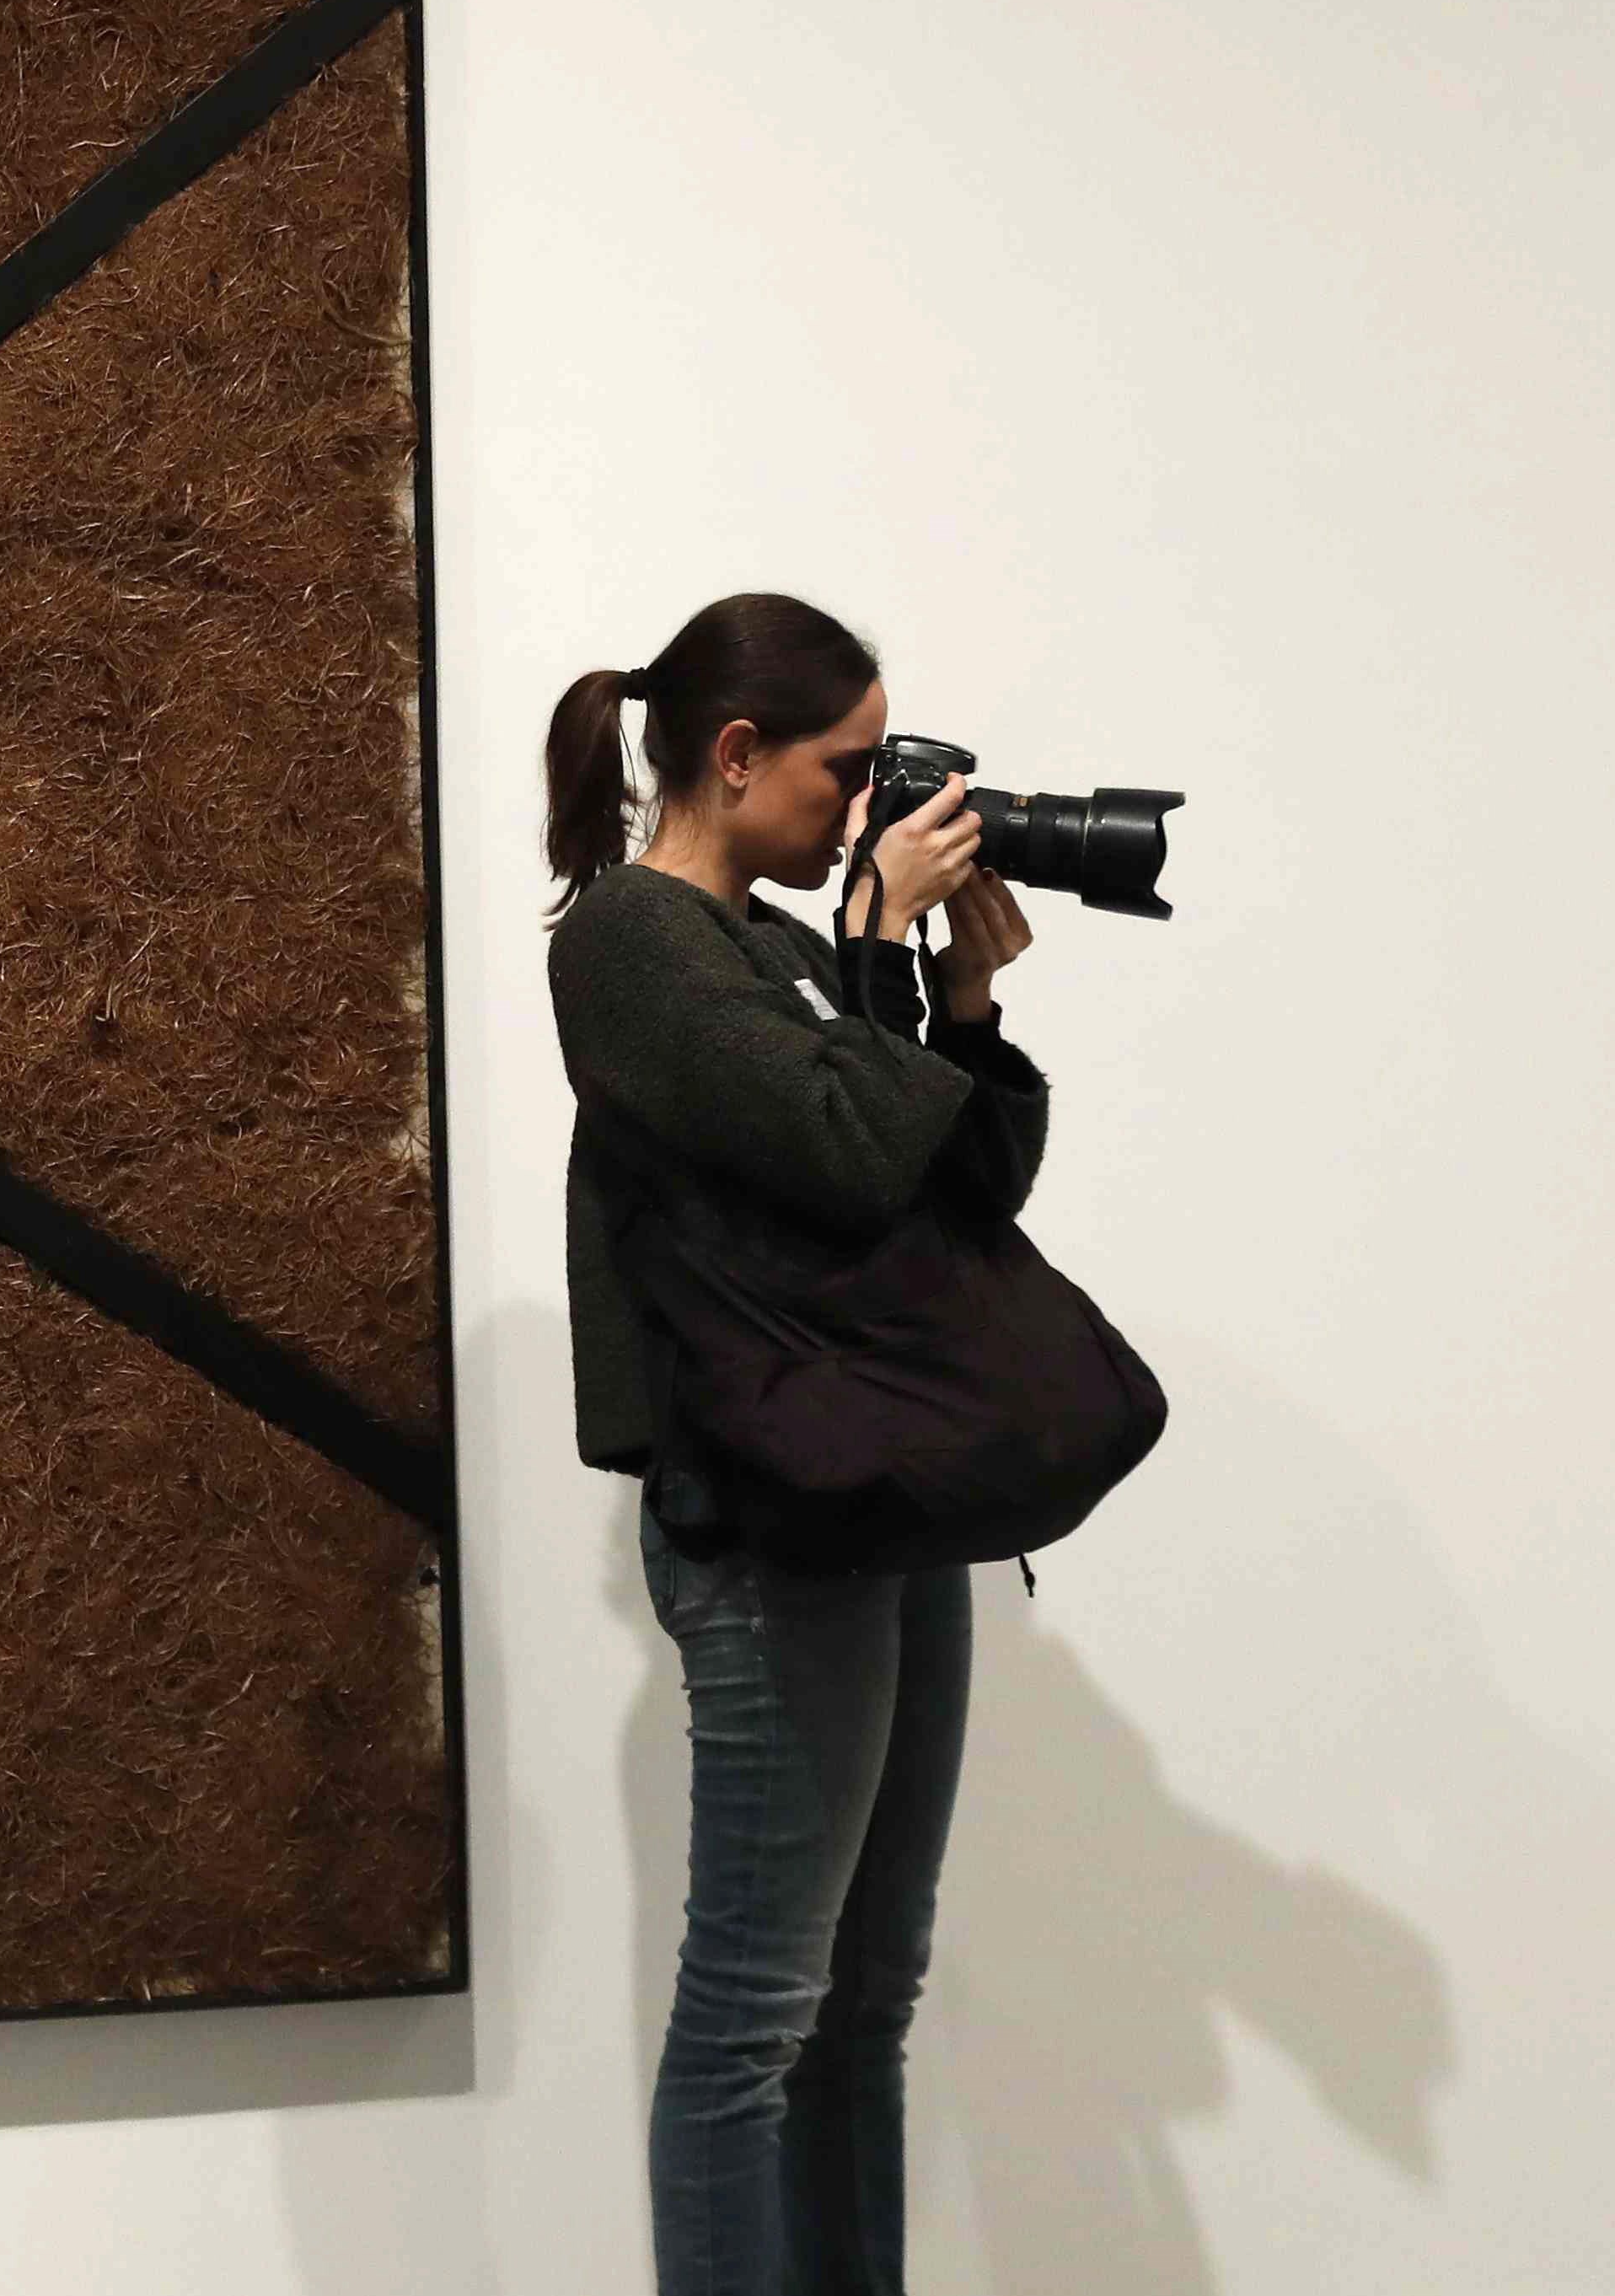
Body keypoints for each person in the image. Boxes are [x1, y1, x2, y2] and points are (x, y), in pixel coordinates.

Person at [539, 590, 1047, 2296]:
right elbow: (837, 1149)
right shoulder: (629, 943)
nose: (871, 805)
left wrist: (957, 1010)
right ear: (736, 755)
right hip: (765, 1519)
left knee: (863, 2000)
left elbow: (941, 1207)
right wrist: (883, 961)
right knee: (756, 2015)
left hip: (881, 1502)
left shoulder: (782, 950)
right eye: (849, 770)